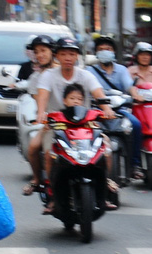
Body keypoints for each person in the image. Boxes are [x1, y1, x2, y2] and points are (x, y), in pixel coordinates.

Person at [36, 37, 115, 214]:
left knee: (106, 149)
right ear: (56, 56)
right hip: (56, 125)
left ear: (77, 56)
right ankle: (53, 195)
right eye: (63, 54)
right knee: (49, 154)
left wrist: (107, 109)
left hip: (85, 124)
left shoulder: (85, 75)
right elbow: (42, 96)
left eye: (72, 54)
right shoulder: (48, 76)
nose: (68, 58)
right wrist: (41, 113)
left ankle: (105, 184)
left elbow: (99, 94)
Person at [86, 35, 144, 179]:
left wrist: (136, 95)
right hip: (96, 110)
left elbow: (129, 86)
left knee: (136, 125)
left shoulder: (122, 69)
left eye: (108, 49)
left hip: (119, 109)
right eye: (101, 49)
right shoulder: (89, 71)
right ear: (96, 53)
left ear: (113, 52)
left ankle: (135, 165)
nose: (105, 51)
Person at [22, 35, 57, 196]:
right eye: (37, 52)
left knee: (103, 146)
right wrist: (44, 119)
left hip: (75, 121)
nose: (40, 55)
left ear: (52, 52)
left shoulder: (63, 70)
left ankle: (104, 182)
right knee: (33, 148)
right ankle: (38, 180)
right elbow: (40, 106)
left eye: (43, 51)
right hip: (52, 123)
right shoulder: (35, 78)